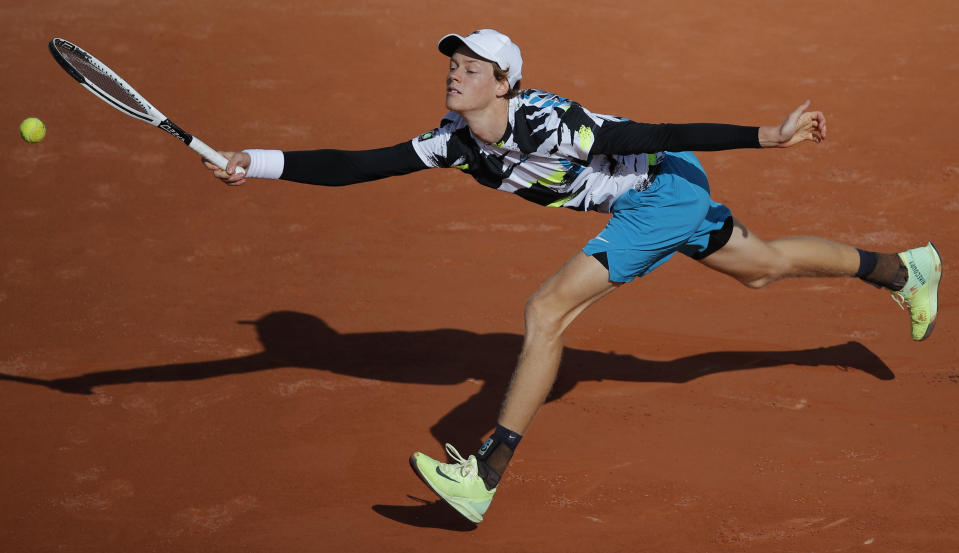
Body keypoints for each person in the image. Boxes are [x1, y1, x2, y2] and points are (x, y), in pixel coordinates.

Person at [205, 29, 941, 523]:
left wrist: (766, 137)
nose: (453, 73)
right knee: (764, 267)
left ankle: (482, 476)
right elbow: (359, 166)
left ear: (504, 83)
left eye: (469, 67)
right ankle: (900, 268)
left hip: (661, 187)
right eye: (451, 64)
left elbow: (650, 135)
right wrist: (258, 162)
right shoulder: (454, 141)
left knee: (547, 310)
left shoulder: (548, 122)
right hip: (665, 194)